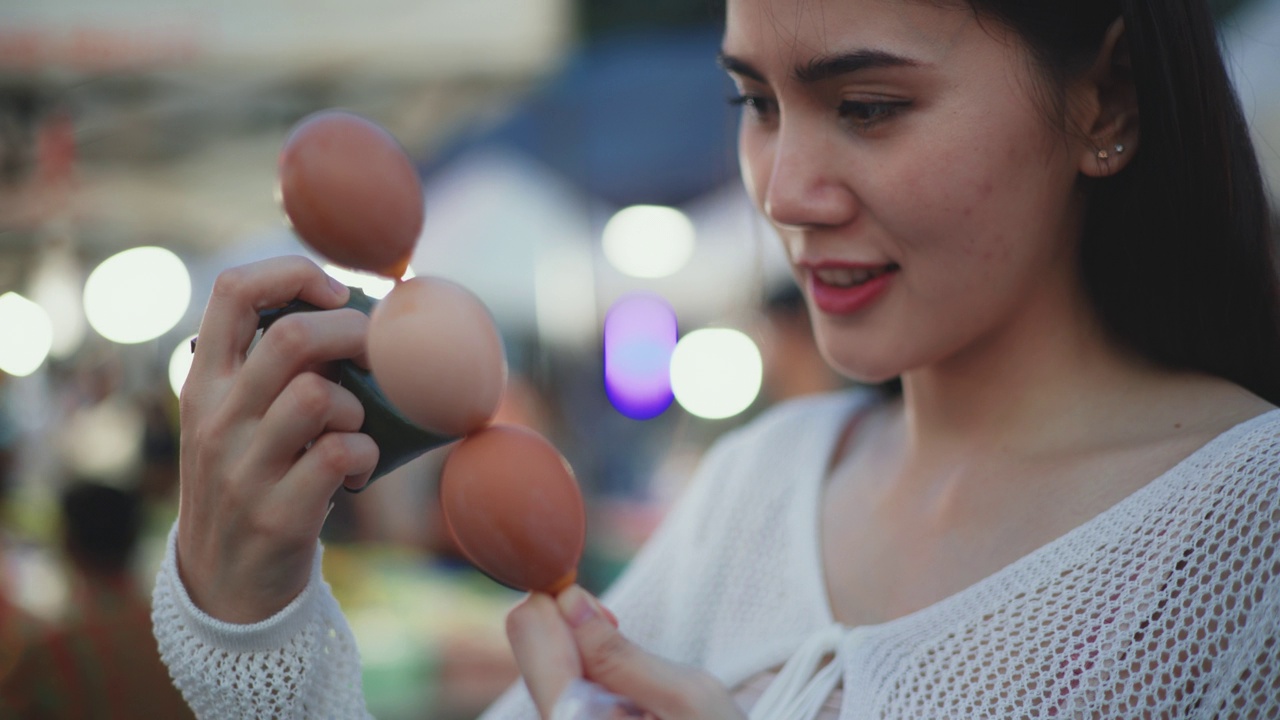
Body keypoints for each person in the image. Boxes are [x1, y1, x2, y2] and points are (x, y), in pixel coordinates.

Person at [152, 0, 1280, 717]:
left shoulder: (1247, 534)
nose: (782, 192)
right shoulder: (759, 488)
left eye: (869, 105)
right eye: (754, 102)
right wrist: (249, 614)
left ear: (1105, 101)